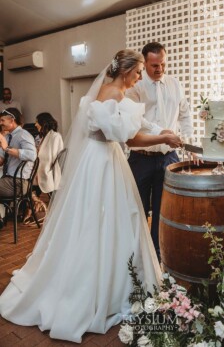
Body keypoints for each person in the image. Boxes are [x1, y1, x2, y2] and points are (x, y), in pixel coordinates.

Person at [0, 49, 182, 343]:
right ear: (126, 72)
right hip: (105, 163)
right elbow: (130, 138)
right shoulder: (114, 95)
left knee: (95, 221)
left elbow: (137, 126)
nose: (139, 78)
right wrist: (164, 137)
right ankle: (102, 287)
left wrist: (163, 130)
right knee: (112, 220)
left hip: (97, 162)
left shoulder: (104, 92)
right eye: (137, 73)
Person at [126, 41, 194, 260]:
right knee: (138, 209)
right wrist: (163, 133)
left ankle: (156, 255)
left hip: (169, 157)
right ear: (144, 63)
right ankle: (136, 255)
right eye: (154, 65)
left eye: (163, 64)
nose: (160, 69)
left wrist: (187, 140)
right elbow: (137, 121)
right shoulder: (135, 86)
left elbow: (184, 113)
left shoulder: (175, 84)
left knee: (163, 211)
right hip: (141, 158)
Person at [0, 108, 36, 199]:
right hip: (8, 180)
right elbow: (1, 160)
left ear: (12, 120)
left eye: (2, 120)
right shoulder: (8, 137)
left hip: (19, 183)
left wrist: (7, 148)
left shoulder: (23, 134)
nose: (0, 123)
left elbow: (32, 155)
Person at [34, 112, 64, 195]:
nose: (35, 124)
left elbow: (54, 158)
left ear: (43, 123)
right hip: (39, 169)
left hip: (49, 171)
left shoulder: (55, 136)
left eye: (37, 122)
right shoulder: (42, 137)